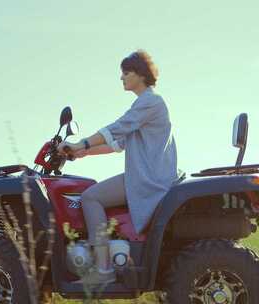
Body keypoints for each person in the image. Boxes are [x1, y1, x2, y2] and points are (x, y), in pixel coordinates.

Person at [58, 50, 179, 285]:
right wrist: (81, 153)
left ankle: (103, 270)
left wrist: (80, 143)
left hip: (148, 178)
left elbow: (116, 128)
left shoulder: (151, 102)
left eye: (126, 73)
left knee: (90, 197)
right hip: (146, 174)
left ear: (140, 75)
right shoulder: (145, 104)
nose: (121, 78)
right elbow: (117, 143)